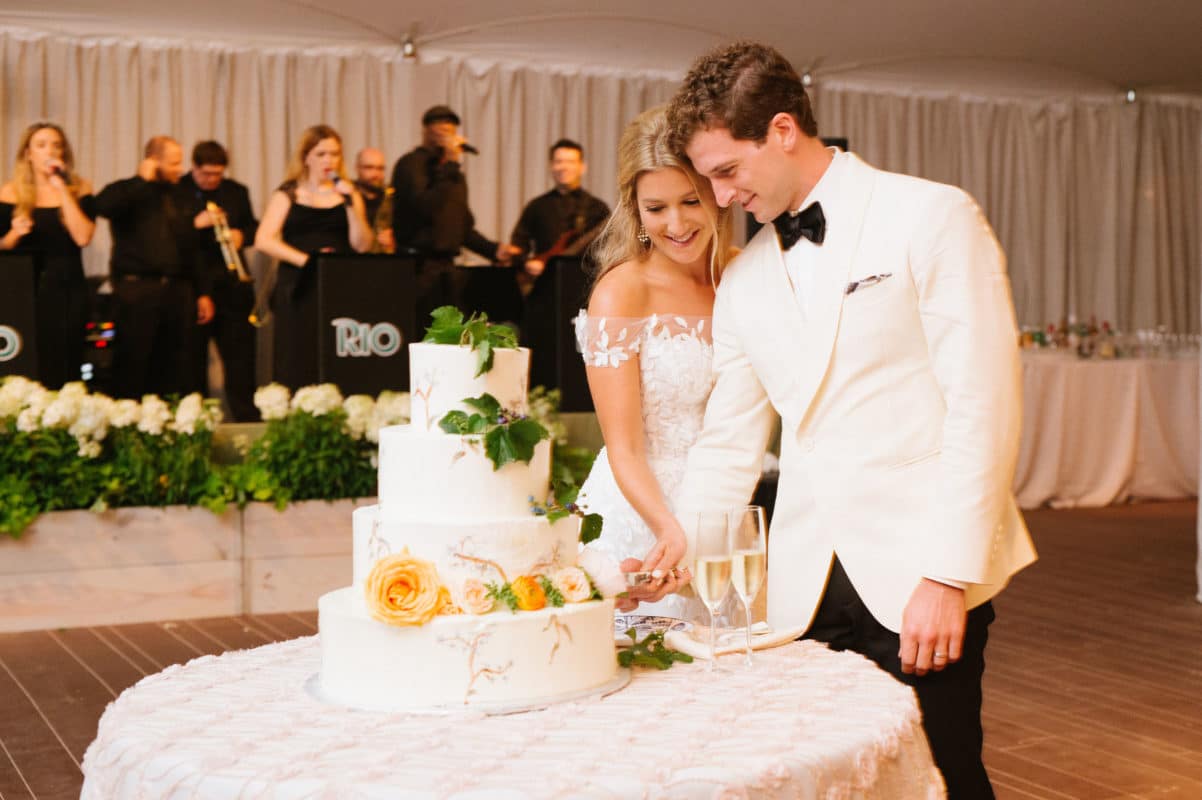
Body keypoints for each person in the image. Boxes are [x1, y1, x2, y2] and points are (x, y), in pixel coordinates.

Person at [662, 41, 1038, 798]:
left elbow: (983, 403)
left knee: (944, 773)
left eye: (728, 171)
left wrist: (946, 574)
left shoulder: (931, 214)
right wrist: (681, 558)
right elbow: (728, 444)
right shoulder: (745, 278)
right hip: (801, 587)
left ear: (782, 130)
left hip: (919, 569)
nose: (721, 197)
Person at [573, 107, 732, 616]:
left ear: (716, 193)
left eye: (690, 200)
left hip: (724, 505)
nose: (677, 223)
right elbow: (624, 449)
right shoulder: (621, 292)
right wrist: (668, 527)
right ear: (634, 209)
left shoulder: (743, 276)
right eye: (656, 207)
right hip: (645, 511)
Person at [255, 124, 373, 390]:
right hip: (298, 281)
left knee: (334, 347)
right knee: (297, 349)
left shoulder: (349, 194)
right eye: (321, 154)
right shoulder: (289, 192)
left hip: (337, 282)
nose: (328, 161)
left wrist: (351, 205)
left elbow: (362, 244)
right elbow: (264, 239)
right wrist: (308, 261)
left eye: (334, 154)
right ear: (306, 157)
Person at [95, 136, 213, 399]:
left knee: (175, 366)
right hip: (137, 289)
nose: (179, 169)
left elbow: (193, 248)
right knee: (133, 362)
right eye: (173, 163)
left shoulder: (182, 196)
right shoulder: (126, 190)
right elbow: (101, 207)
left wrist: (203, 292)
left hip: (177, 290)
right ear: (153, 161)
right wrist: (141, 181)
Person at [389, 105, 520, 323]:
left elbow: (461, 226)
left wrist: (494, 250)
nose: (447, 134)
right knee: (423, 332)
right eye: (441, 128)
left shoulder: (453, 176)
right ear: (427, 131)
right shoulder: (411, 164)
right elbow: (424, 207)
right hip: (417, 268)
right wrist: (449, 164)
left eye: (451, 129)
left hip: (447, 270)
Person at [0, 122, 96, 389]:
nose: (50, 151)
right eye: (41, 145)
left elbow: (83, 236)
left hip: (67, 286)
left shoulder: (80, 189)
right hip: (24, 290)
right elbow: (3, 246)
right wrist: (13, 235)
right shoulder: (10, 193)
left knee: (66, 361)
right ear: (28, 154)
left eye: (56, 145)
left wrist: (61, 188)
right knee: (29, 361)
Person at [175, 140, 259, 421]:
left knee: (241, 362)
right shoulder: (178, 191)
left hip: (232, 287)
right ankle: (197, 421)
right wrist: (194, 224)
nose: (212, 180)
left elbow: (254, 226)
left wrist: (241, 236)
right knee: (191, 363)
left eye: (217, 174)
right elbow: (167, 236)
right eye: (205, 174)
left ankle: (246, 420)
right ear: (194, 167)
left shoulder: (236, 192)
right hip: (192, 285)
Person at [509, 138, 610, 285]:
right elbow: (518, 243)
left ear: (582, 167)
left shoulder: (597, 208)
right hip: (542, 285)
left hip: (584, 285)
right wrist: (526, 263)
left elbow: (609, 249)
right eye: (558, 161)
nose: (564, 167)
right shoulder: (536, 206)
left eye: (570, 162)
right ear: (551, 166)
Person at [353, 147, 395, 253]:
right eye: (369, 168)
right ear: (357, 168)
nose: (375, 174)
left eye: (380, 168)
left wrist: (395, 237)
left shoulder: (391, 197)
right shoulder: (346, 196)